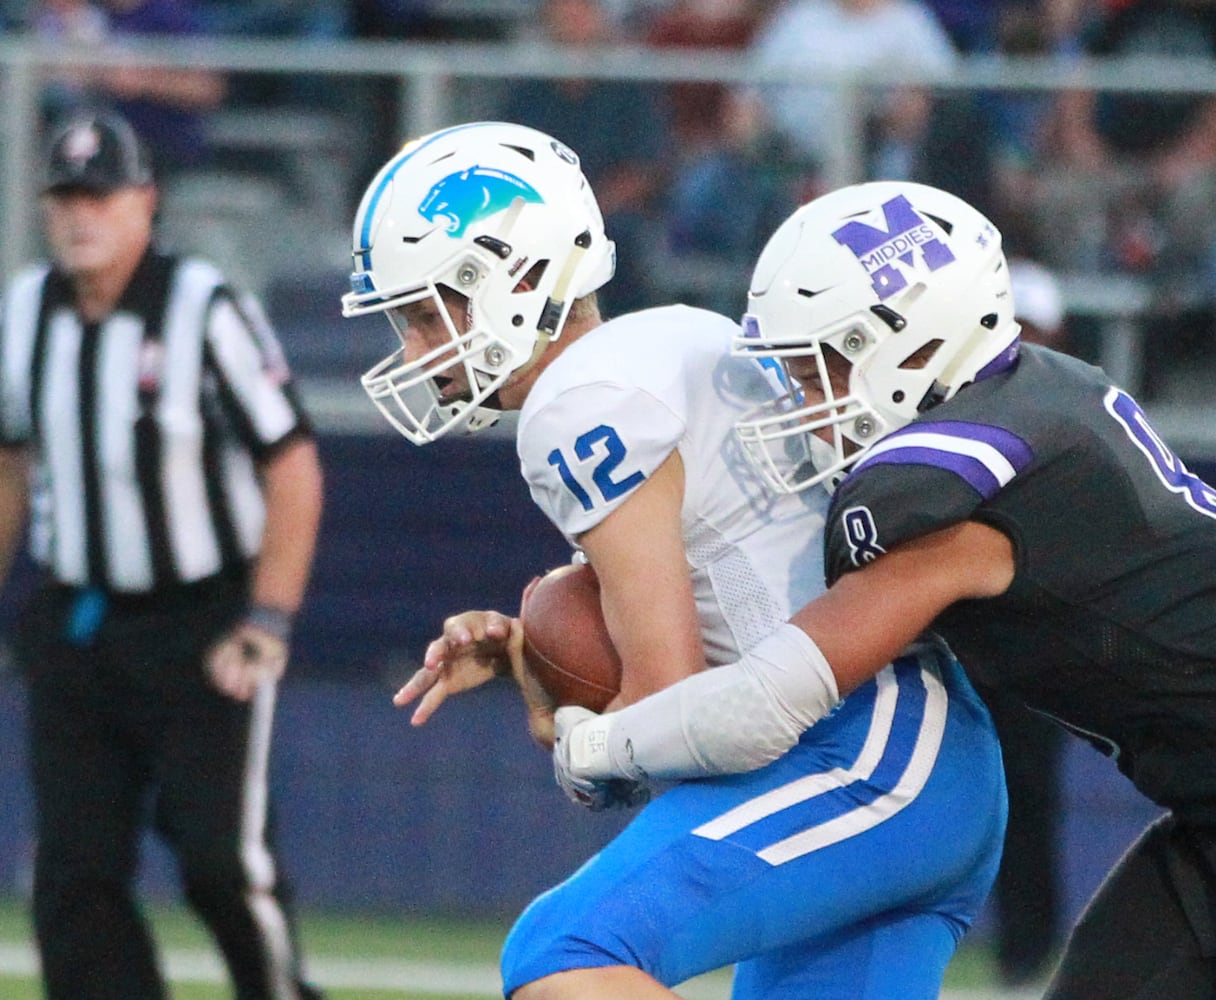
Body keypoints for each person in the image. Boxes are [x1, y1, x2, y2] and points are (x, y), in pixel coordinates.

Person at [341, 121, 1005, 999]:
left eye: (428, 314)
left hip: (860, 750)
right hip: (926, 754)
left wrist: (574, 734)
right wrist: (529, 658)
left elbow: (667, 693)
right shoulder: (674, 336)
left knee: (563, 951)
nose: (418, 350)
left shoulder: (577, 406)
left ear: (514, 283)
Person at [555, 178, 1216, 997]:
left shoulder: (944, 493)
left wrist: (591, 745)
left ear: (907, 349)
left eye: (818, 367)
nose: (798, 398)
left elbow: (768, 702)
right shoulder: (1043, 392)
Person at [0, 111, 325, 1000]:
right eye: (65, 197)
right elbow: (10, 462)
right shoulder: (25, 311)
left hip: (203, 621)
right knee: (72, 872)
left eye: (99, 195)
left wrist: (266, 617)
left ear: (145, 201)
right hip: (78, 619)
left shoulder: (204, 307)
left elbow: (292, 462)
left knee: (223, 862)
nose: (81, 216)